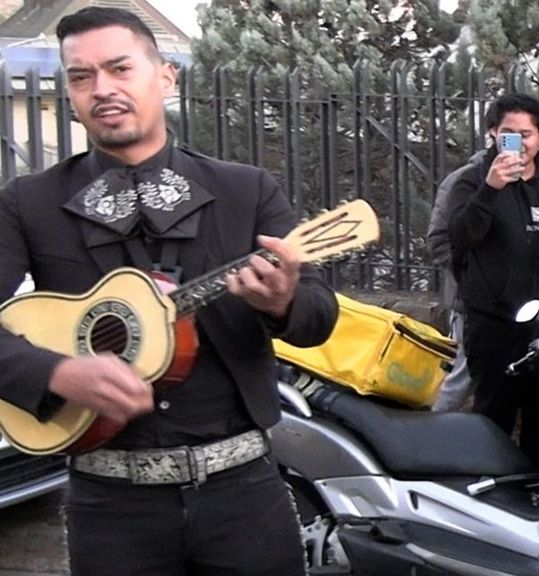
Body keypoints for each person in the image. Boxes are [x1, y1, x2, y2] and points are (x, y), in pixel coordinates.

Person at [0, 7, 338, 575]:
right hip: (108, 505)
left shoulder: (246, 191)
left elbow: (319, 315)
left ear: (165, 77)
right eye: (81, 77)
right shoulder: (28, 203)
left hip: (243, 495)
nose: (101, 89)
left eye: (119, 68)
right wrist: (55, 374)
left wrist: (282, 300)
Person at [448, 93, 539, 472]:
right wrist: (490, 189)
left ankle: (537, 497)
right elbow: (460, 238)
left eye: (526, 134)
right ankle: (489, 502)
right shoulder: (471, 181)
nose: (519, 143)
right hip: (494, 326)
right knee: (492, 422)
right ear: (492, 133)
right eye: (509, 133)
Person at [426, 149, 485, 412]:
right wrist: (474, 274)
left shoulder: (535, 181)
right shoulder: (462, 180)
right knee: (461, 377)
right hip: (470, 301)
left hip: (522, 304)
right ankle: (426, 438)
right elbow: (439, 242)